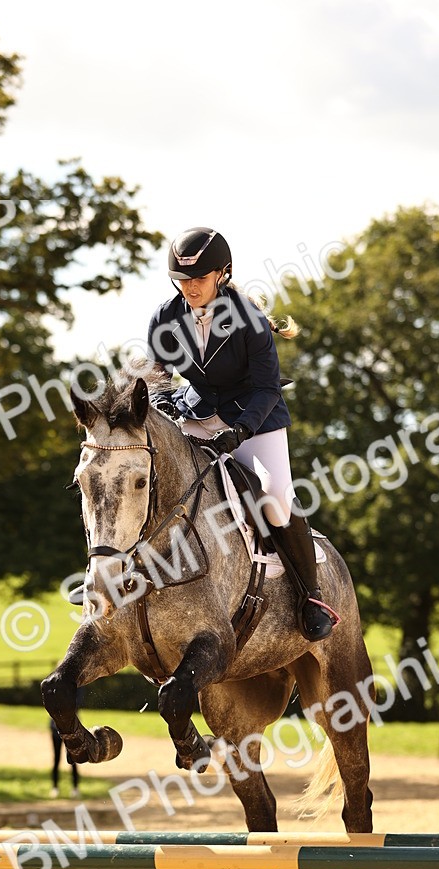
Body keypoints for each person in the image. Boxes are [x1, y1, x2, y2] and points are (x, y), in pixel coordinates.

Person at [146, 226, 338, 642]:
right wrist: (162, 407)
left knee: (275, 499)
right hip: (195, 411)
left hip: (254, 416)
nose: (190, 287)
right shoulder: (165, 317)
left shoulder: (247, 320)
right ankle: (115, 579)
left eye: (199, 279)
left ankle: (312, 595)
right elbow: (157, 378)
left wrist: (241, 431)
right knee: (143, 476)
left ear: (223, 275)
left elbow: (267, 388)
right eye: (182, 280)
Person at [49, 715, 80, 799]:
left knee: (73, 758)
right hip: (56, 729)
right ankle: (55, 787)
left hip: (71, 730)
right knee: (57, 759)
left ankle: (75, 787)